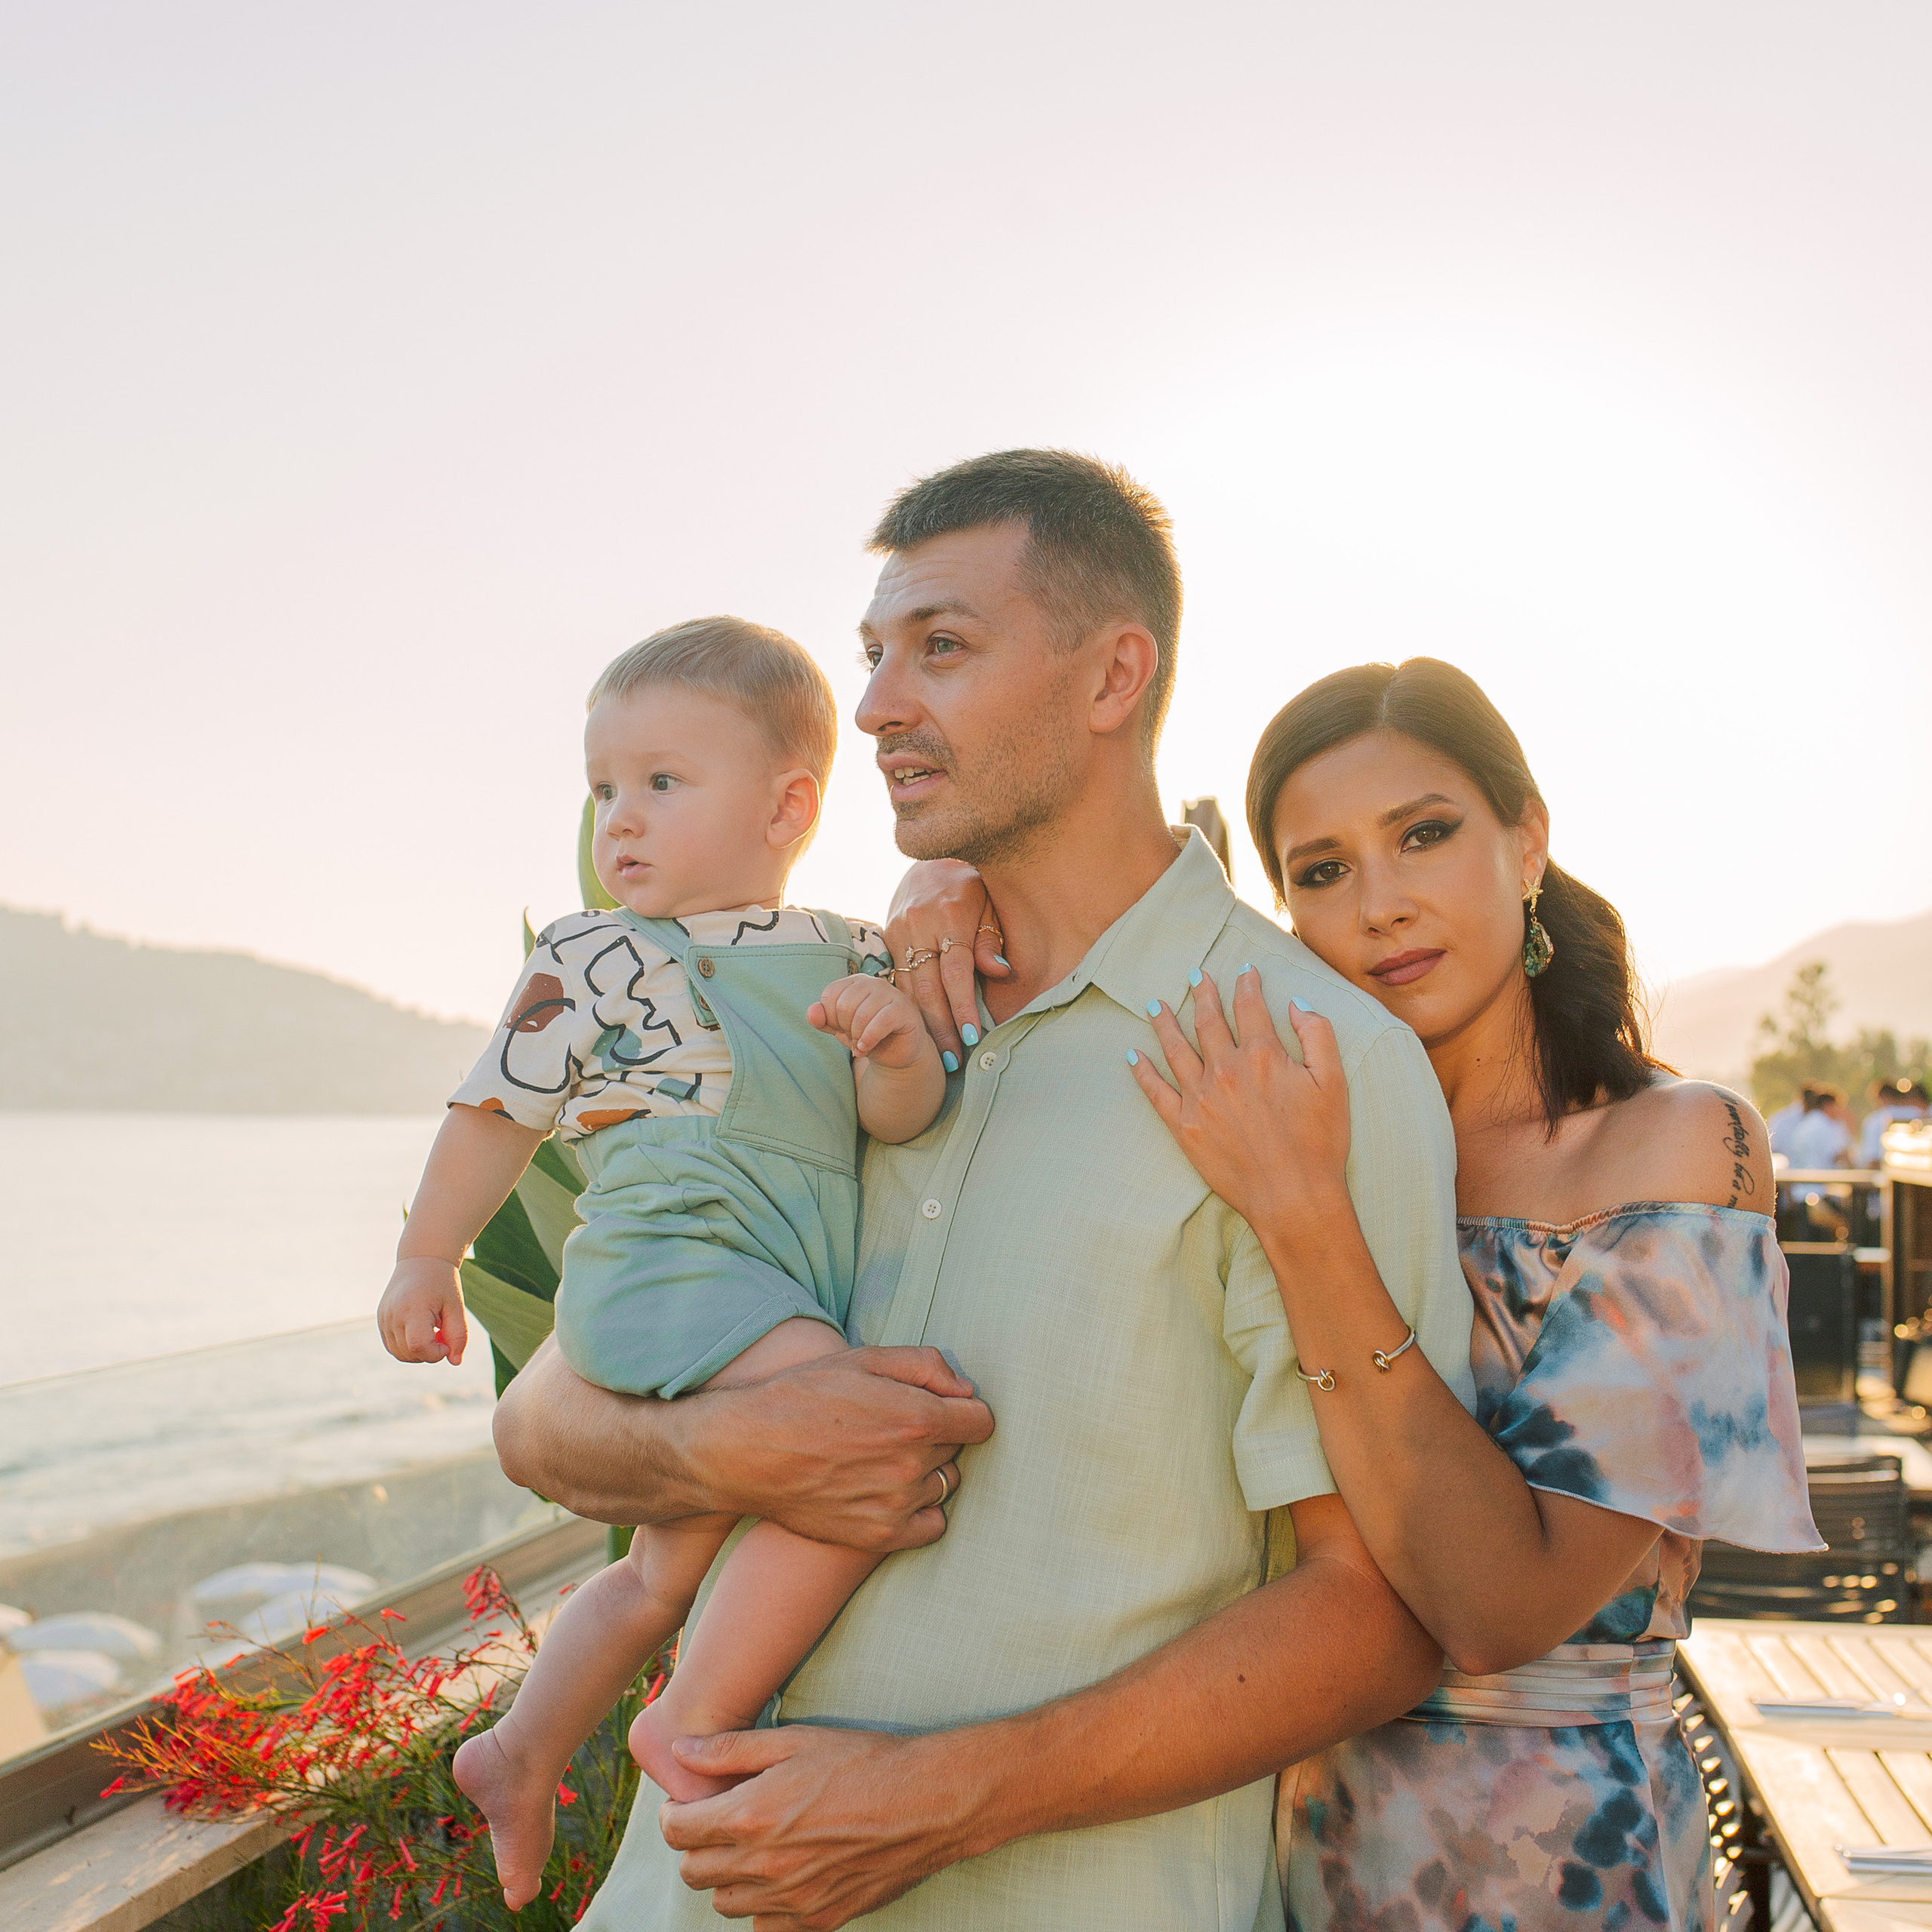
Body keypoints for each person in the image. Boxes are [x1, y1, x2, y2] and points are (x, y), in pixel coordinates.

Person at [494, 451, 1476, 1930]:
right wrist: (731, 1443)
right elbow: (544, 1414)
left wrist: (937, 1798)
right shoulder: (822, 1001)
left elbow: (1381, 1607)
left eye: (940, 647)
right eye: (873, 654)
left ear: (1110, 678)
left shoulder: (1308, 1059)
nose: (880, 701)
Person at [1108, 657, 1819, 1932]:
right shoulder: (1293, 1126)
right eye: (1321, 871)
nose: (1381, 905)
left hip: (1548, 1866)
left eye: (1423, 835)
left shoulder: (1673, 1147)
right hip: (1263, 1840)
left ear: (1528, 840)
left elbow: (1499, 1607)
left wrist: (1305, 1217)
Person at [375, 617, 949, 1909]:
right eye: (604, 789)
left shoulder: (850, 952)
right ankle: (688, 1721)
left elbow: (893, 1122)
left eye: (661, 784)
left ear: (788, 804)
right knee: (862, 1445)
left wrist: (892, 1050)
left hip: (775, 1281)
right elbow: (493, 1113)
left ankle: (518, 1750)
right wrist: (429, 1256)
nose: (620, 820)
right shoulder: (588, 958)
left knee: (657, 1573)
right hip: (672, 1268)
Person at [1781, 1080, 1854, 1171]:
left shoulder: (1809, 1121)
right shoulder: (1824, 1125)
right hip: (1817, 1181)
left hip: (1802, 1180)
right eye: (1838, 1106)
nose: (1840, 1111)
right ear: (1828, 1105)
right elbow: (1839, 1155)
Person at [1859, 1076, 1928, 1166]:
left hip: (1889, 1168)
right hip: (1918, 1165)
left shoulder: (1875, 1120)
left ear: (1881, 1097)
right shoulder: (1918, 1112)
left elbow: (1872, 1157)